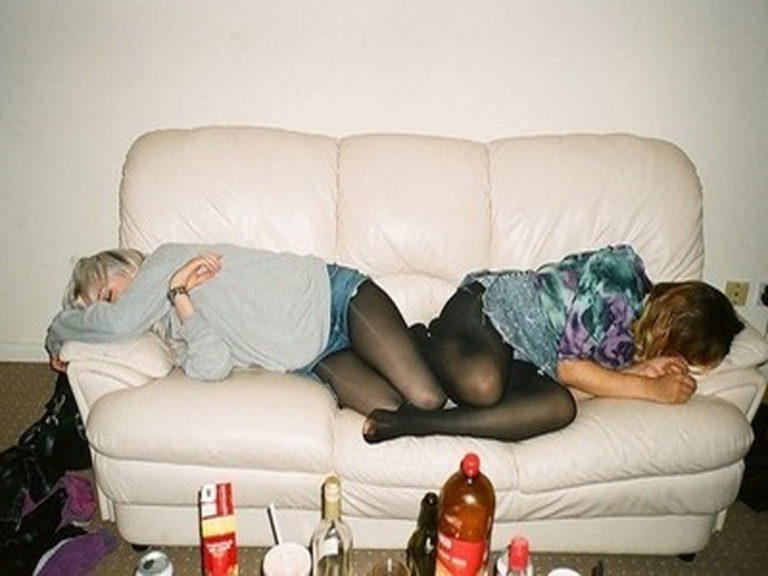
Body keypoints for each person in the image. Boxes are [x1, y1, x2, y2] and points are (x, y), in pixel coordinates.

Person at [362, 244, 744, 444]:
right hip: (492, 311)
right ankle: (421, 340)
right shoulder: (622, 276)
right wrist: (650, 389)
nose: (676, 363)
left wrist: (640, 373)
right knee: (482, 385)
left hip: (522, 362)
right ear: (673, 322)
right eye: (680, 352)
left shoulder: (628, 353)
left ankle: (417, 424)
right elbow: (569, 367)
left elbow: (570, 387)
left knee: (559, 407)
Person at [45, 243, 447, 417]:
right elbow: (213, 365)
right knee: (393, 410)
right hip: (318, 356)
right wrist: (180, 296)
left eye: (107, 294)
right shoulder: (169, 324)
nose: (110, 310)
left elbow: (117, 323)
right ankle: (412, 342)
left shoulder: (162, 261)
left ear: (123, 266)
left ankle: (422, 343)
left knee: (427, 398)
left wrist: (58, 333)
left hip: (335, 298)